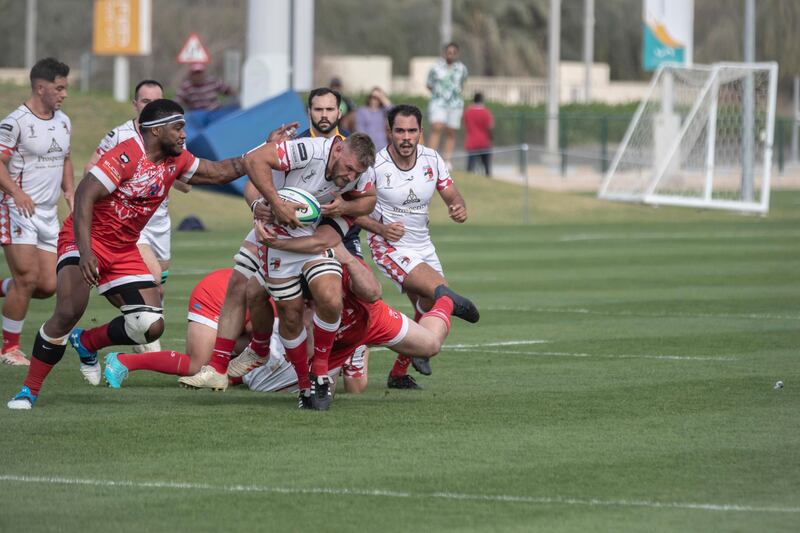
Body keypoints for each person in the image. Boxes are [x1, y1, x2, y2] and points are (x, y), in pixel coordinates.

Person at [7, 99, 250, 410]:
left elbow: (217, 173)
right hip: (86, 239)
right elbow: (84, 194)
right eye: (177, 128)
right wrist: (85, 252)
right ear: (156, 131)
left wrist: (257, 156)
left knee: (149, 324)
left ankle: (87, 342)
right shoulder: (126, 155)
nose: (183, 134)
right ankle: (29, 390)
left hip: (123, 248)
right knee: (69, 310)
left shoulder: (176, 159)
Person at [241, 227, 471, 397]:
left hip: (371, 319)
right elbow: (306, 349)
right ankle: (355, 352)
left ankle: (445, 301)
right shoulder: (288, 284)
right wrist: (308, 324)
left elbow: (373, 293)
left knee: (431, 346)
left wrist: (349, 260)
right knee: (327, 394)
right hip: (334, 346)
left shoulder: (335, 262)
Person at [241, 132, 377, 410]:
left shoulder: (360, 173)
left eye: (357, 172)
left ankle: (320, 373)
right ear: (338, 149)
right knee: (290, 316)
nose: (351, 176)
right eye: (349, 168)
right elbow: (254, 160)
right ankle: (304, 385)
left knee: (330, 297)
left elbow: (370, 200)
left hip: (315, 237)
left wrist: (347, 205)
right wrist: (273, 205)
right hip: (277, 238)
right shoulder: (308, 151)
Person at [356, 104, 479, 389]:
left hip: (423, 244)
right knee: (440, 294)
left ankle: (402, 369)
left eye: (412, 131)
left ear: (421, 132)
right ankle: (419, 344)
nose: (406, 137)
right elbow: (353, 210)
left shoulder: (432, 159)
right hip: (389, 245)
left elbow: (450, 192)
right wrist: (380, 228)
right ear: (389, 132)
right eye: (400, 131)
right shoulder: (375, 165)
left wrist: (457, 206)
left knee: (430, 306)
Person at [83, 80, 190, 355]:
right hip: (128, 221)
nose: (150, 106)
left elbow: (183, 177)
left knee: (158, 287)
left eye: (156, 101)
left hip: (159, 220)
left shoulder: (171, 134)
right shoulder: (120, 135)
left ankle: (141, 324)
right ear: (135, 104)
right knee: (151, 276)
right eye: (145, 101)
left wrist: (176, 174)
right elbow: (92, 168)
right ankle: (142, 333)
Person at [0, 58, 74, 366]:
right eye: (59, 88)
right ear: (40, 88)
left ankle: (7, 288)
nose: (64, 94)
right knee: (28, 278)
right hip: (17, 209)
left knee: (47, 286)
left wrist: (70, 191)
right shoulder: (15, 122)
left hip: (47, 212)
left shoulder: (64, 121)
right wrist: (16, 193)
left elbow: (66, 158)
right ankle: (9, 349)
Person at [101, 268, 284, 389]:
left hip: (233, 298)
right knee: (198, 366)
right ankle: (123, 361)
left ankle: (227, 376)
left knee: (241, 359)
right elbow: (258, 329)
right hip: (215, 295)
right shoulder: (287, 310)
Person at [426, 42, 468, 168]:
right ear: (445, 53)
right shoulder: (436, 67)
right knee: (437, 127)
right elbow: (429, 84)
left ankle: (447, 160)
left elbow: (462, 84)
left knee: (451, 131)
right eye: (449, 52)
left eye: (453, 53)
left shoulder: (462, 69)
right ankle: (430, 159)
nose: (451, 55)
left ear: (457, 54)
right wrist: (439, 94)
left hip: (454, 104)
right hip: (438, 102)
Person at [463, 92, 494, 176]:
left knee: (470, 167)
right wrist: (491, 138)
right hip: (484, 142)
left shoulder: (468, 112)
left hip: (472, 142)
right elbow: (490, 127)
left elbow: (465, 124)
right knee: (487, 168)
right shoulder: (486, 112)